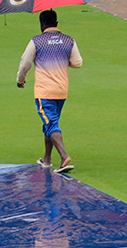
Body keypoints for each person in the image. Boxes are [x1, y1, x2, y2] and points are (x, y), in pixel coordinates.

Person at [16, 9, 82, 173]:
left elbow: (25, 63)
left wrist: (20, 79)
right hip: (61, 91)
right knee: (50, 123)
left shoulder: (37, 41)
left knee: (51, 123)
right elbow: (77, 63)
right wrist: (60, 58)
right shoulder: (69, 41)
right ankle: (46, 159)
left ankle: (64, 157)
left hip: (44, 92)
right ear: (57, 23)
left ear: (41, 24)